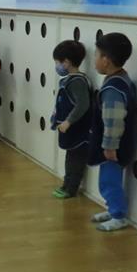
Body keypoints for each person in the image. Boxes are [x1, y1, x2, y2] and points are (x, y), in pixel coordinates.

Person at [88, 32, 136, 232]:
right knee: (109, 180)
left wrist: (109, 146)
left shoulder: (113, 89)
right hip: (114, 145)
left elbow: (113, 121)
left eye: (96, 55)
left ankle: (118, 216)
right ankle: (113, 208)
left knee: (109, 181)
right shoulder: (119, 78)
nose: (94, 60)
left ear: (106, 60)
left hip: (113, 147)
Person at [49, 39, 92, 199]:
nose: (56, 66)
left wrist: (68, 121)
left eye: (57, 62)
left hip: (78, 130)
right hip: (70, 130)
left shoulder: (78, 82)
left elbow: (83, 104)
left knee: (76, 160)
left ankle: (71, 188)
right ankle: (66, 184)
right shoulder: (69, 80)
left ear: (66, 62)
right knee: (70, 158)